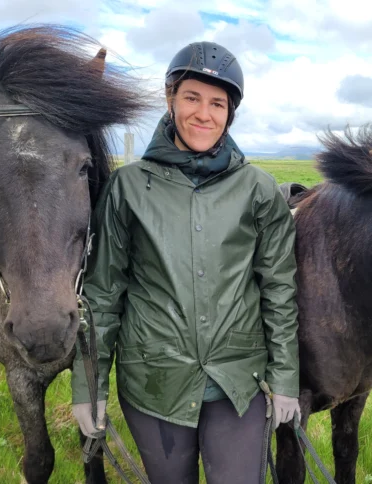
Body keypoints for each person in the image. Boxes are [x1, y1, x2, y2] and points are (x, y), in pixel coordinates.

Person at [70, 41, 300, 483]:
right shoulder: (127, 188)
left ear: (230, 113)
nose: (204, 113)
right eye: (192, 97)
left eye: (218, 103)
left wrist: (286, 379)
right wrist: (89, 387)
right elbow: (102, 294)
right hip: (154, 381)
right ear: (170, 98)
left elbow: (279, 290)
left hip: (237, 381)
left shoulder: (259, 190)